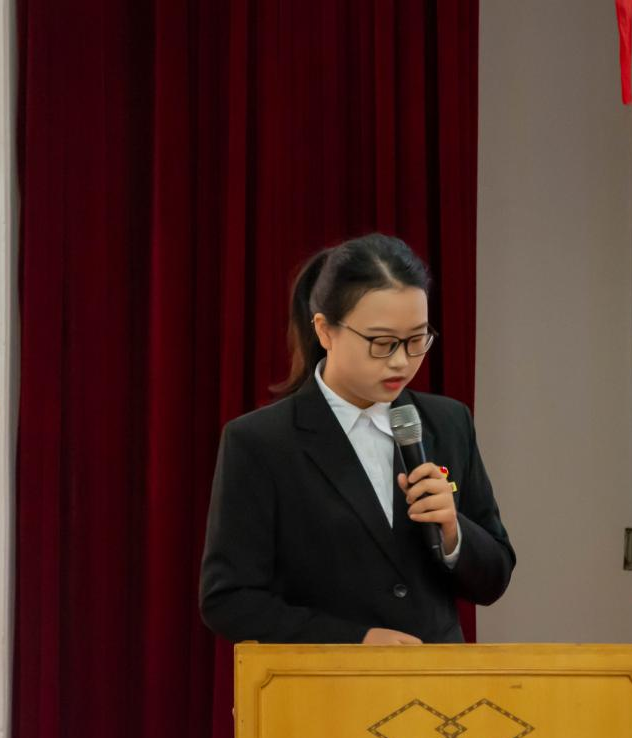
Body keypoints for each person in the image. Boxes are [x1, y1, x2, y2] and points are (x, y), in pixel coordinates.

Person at [199, 233, 515, 645]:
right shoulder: (260, 442)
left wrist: (454, 532)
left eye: (417, 340)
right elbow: (228, 600)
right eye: (382, 343)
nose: (401, 361)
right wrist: (355, 640)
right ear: (325, 331)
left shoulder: (448, 422)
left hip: (436, 678)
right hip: (324, 680)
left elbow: (495, 578)